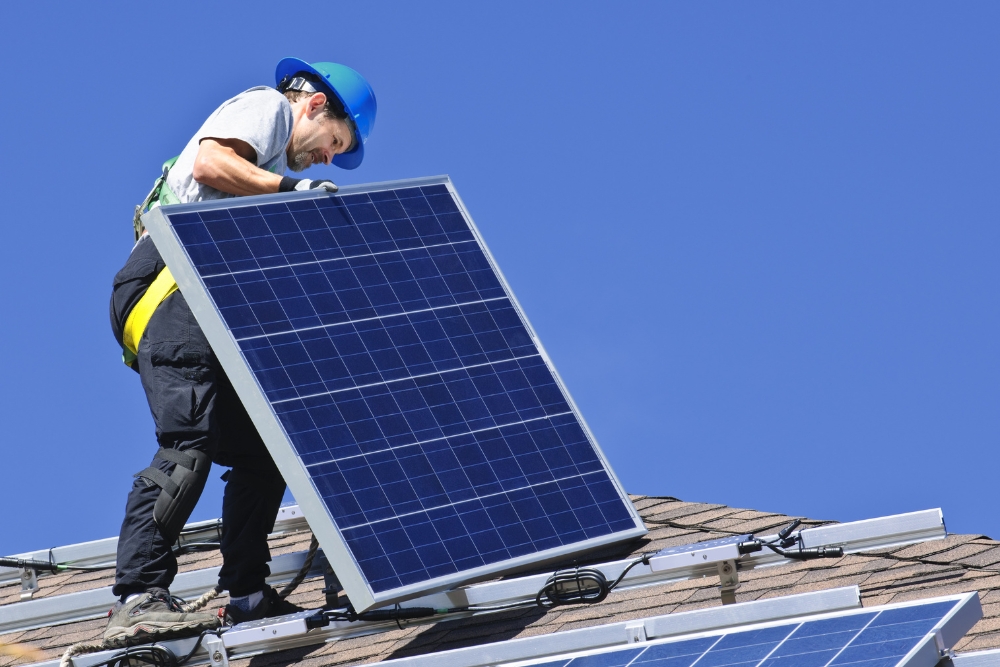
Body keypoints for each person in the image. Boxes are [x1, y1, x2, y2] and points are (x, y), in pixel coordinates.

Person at [105, 57, 376, 648]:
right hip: (171, 288)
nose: (330, 158)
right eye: (335, 142)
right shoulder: (269, 108)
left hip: (207, 303)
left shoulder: (277, 159)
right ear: (313, 105)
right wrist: (291, 187)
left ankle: (248, 594)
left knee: (265, 450)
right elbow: (209, 162)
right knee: (189, 439)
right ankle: (138, 597)